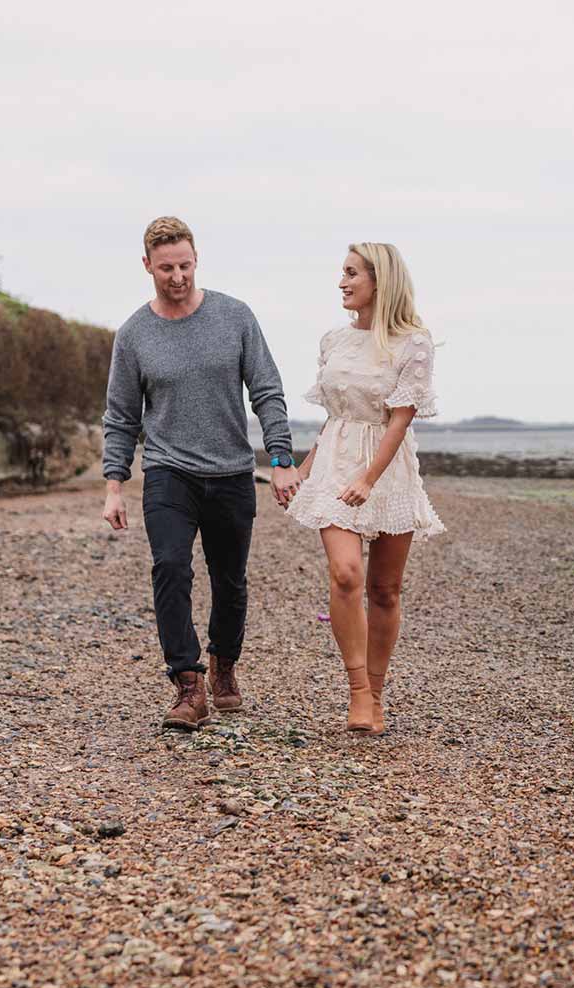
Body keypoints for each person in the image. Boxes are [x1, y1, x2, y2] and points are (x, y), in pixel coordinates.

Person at [101, 216, 302, 730]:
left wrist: (281, 460)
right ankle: (188, 684)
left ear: (197, 261)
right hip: (168, 471)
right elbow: (121, 416)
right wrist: (114, 485)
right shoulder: (134, 334)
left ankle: (223, 665)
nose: (178, 277)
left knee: (230, 580)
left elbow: (267, 391)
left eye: (185, 266)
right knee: (170, 567)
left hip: (232, 471)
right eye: (166, 268)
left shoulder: (235, 316)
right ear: (147, 266)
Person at [286, 242, 445, 734]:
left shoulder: (414, 343)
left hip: (388, 469)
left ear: (381, 280)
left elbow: (400, 420)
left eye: (352, 273)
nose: (342, 282)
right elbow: (336, 417)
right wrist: (304, 466)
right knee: (346, 573)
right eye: (343, 272)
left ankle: (376, 692)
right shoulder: (334, 340)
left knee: (385, 590)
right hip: (336, 466)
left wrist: (369, 478)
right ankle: (357, 691)